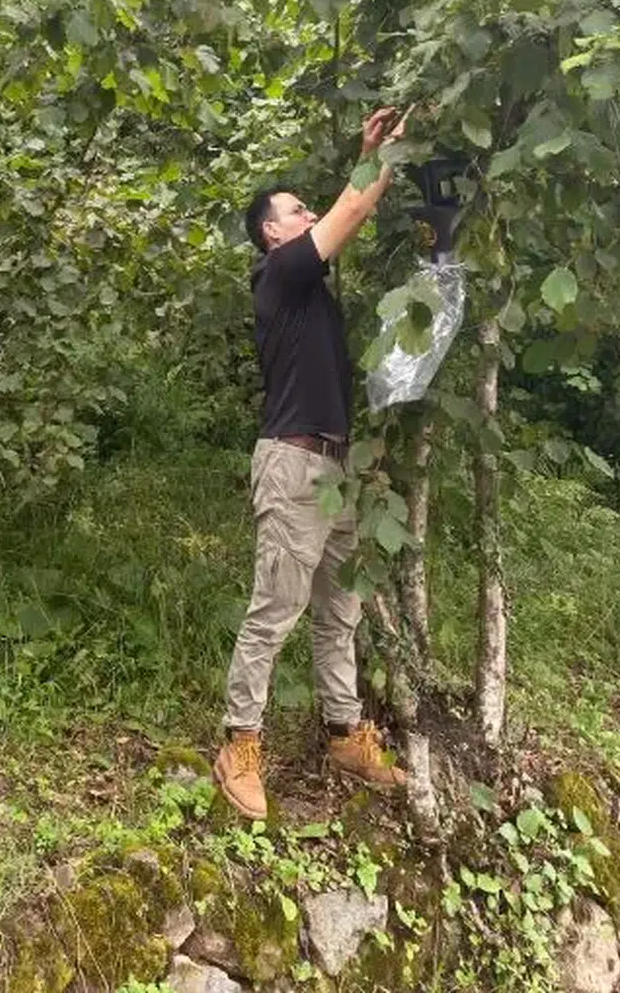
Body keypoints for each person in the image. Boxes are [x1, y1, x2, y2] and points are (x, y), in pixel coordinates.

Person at [214, 107, 409, 821]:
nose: (309, 214)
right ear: (272, 231)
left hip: (335, 471)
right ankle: (239, 743)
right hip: (294, 467)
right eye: (297, 210)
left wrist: (366, 153)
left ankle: (343, 734)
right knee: (276, 611)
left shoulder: (307, 284)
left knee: (340, 610)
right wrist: (387, 155)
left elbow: (343, 212)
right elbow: (350, 211)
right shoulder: (280, 272)